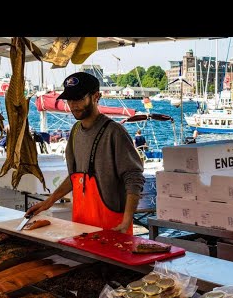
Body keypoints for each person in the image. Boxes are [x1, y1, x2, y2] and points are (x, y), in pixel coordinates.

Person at [25, 72, 145, 234]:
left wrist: (126, 221)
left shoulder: (114, 132)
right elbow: (75, 177)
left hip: (113, 228)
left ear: (96, 96)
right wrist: (49, 201)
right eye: (70, 99)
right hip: (81, 226)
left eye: (79, 98)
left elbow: (134, 178)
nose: (73, 104)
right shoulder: (75, 132)